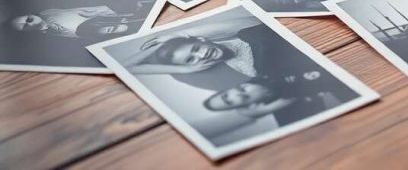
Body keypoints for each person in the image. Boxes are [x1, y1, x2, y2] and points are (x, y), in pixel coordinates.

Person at [122, 15, 292, 91]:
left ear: (200, 39)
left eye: (196, 49)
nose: (201, 55)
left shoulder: (241, 34)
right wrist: (185, 70)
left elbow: (261, 21)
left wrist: (179, 35)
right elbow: (126, 66)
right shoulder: (237, 73)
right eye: (191, 59)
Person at [202, 69, 344, 123]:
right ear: (247, 106)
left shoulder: (264, 65)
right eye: (230, 103)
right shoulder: (290, 116)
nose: (233, 96)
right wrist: (265, 110)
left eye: (226, 95)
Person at [8, 2, 152, 40]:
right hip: (102, 28)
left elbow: (81, 10)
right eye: (25, 26)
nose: (29, 22)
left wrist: (104, 10)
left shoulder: (47, 12)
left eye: (27, 19)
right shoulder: (50, 35)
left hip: (107, 15)